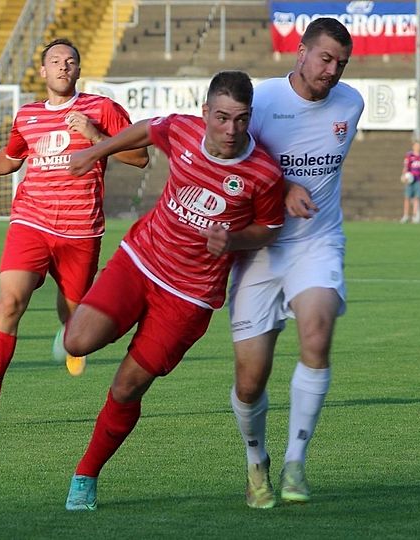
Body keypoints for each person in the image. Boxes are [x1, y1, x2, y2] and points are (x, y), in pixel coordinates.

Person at [61, 70, 285, 511]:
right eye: (221, 117)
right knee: (77, 340)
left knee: (127, 388)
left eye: (241, 119)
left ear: (250, 118)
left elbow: (271, 229)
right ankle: (93, 321)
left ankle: (86, 474)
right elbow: (147, 128)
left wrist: (234, 240)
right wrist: (95, 151)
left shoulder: (263, 172)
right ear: (205, 113)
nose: (230, 130)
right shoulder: (183, 130)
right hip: (141, 260)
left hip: (189, 297)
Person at [0, 38, 148, 419]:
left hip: (81, 232)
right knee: (10, 300)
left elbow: (140, 157)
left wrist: (96, 137)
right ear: (43, 71)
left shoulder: (102, 109)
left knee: (75, 325)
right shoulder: (26, 116)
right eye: (55, 61)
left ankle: (69, 336)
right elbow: (11, 160)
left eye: (70, 61)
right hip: (32, 222)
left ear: (78, 70)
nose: (63, 66)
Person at [226, 17, 364, 509]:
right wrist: (283, 188)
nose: (332, 71)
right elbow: (234, 159)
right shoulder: (261, 102)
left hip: (317, 242)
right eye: (325, 58)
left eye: (341, 63)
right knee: (250, 379)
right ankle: (256, 461)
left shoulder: (351, 103)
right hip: (259, 250)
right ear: (300, 52)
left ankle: (295, 463)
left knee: (317, 330)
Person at [400, 139, 420, 224]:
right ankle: (406, 216)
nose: (417, 147)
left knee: (417, 198)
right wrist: (404, 176)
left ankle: (415, 216)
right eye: (416, 145)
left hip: (418, 180)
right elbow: (405, 167)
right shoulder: (409, 156)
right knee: (407, 197)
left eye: (419, 146)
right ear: (413, 146)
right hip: (409, 180)